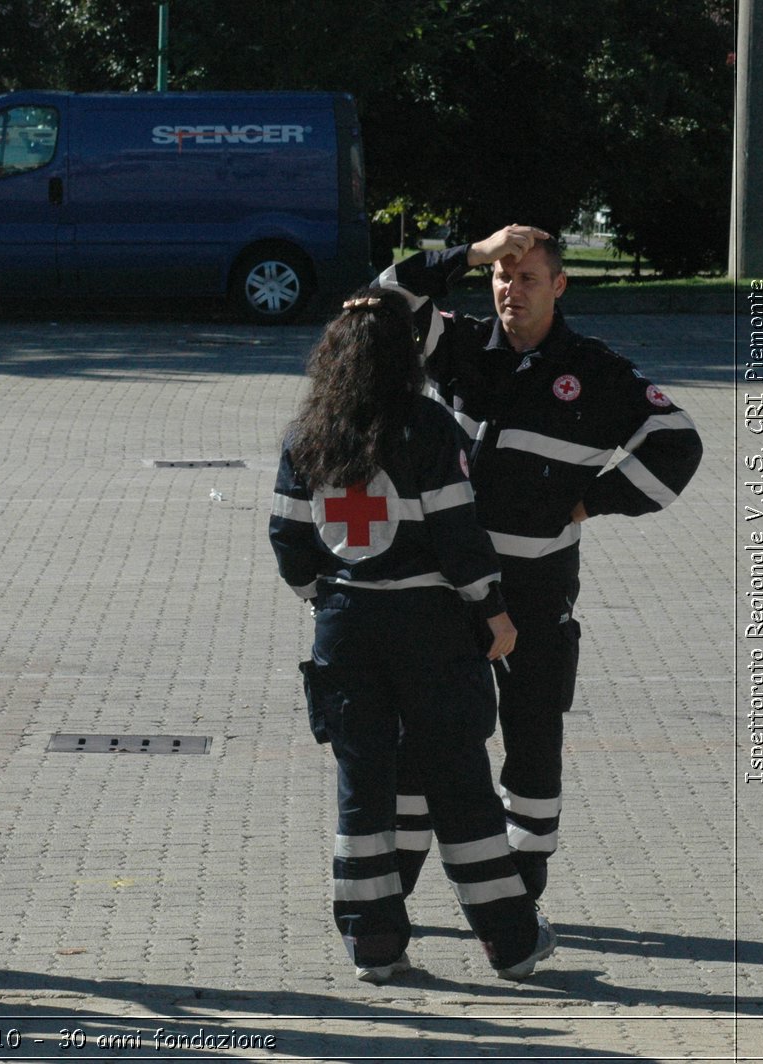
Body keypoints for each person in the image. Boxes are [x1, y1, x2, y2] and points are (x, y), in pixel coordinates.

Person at [376, 226, 703, 904]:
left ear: (558, 285)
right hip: (447, 587)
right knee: (420, 732)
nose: (510, 289)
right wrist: (467, 252)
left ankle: (521, 888)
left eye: (527, 278)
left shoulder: (596, 371)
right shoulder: (460, 344)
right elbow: (384, 300)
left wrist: (590, 502)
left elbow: (677, 444)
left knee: (532, 733)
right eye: (501, 275)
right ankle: (394, 884)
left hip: (535, 588)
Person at [269, 288, 556, 982]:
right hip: (430, 629)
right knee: (458, 780)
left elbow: (288, 538)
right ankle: (512, 945)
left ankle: (375, 947)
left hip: (345, 629)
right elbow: (459, 535)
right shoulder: (428, 427)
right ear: (405, 357)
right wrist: (493, 611)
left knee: (363, 789)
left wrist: (328, 599)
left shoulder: (309, 434)